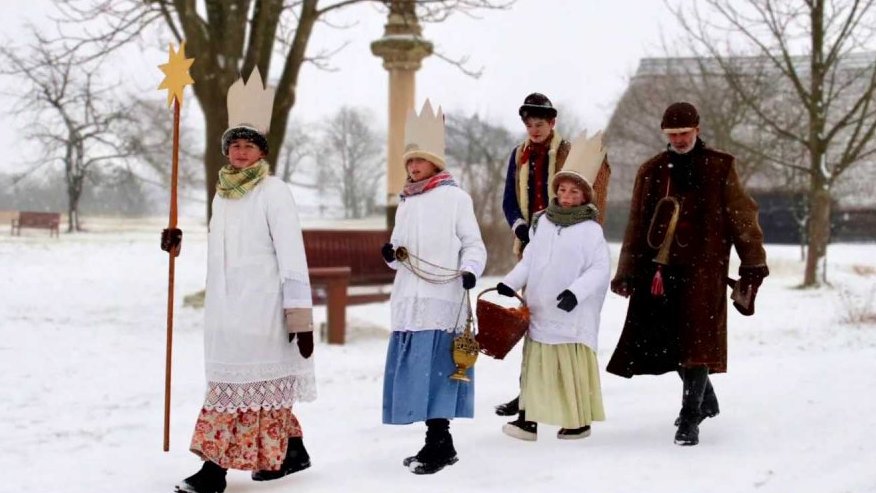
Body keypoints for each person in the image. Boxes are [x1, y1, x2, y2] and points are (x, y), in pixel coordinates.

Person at [162, 69, 316, 493]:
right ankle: (292, 448)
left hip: (264, 309)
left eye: (249, 146)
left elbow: (292, 257)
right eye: (235, 146)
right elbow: (222, 252)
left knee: (240, 385)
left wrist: (299, 318)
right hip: (227, 308)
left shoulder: (274, 191)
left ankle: (215, 470)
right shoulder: (223, 193)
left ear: (262, 152)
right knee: (241, 384)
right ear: (226, 151)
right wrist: (179, 244)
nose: (242, 153)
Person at [606, 102, 769, 446]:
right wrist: (626, 272)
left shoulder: (719, 167)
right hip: (659, 271)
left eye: (684, 133)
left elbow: (743, 217)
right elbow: (636, 225)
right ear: (665, 134)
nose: (679, 140)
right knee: (669, 342)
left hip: (704, 271)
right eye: (673, 135)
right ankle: (706, 399)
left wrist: (752, 263)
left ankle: (690, 417)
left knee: (697, 344)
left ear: (697, 129)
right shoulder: (651, 171)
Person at [380, 100, 487, 474]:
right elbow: (400, 253)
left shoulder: (456, 198)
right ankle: (436, 440)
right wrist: (390, 255)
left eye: (419, 161)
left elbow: (473, 243)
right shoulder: (406, 201)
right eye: (409, 161)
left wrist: (471, 269)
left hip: (443, 298)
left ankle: (440, 443)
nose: (413, 167)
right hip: (410, 298)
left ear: (435, 163)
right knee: (417, 371)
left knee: (440, 369)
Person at [495, 131, 611, 441]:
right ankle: (527, 421)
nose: (567, 196)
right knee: (535, 369)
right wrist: (510, 283)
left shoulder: (590, 230)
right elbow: (530, 260)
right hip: (540, 308)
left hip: (570, 314)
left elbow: (600, 269)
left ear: (584, 196)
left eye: (574, 192)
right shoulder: (543, 222)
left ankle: (576, 421)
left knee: (566, 370)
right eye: (562, 190)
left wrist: (576, 292)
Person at [496, 92, 571, 417]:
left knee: (561, 322)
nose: (534, 130)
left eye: (539, 124)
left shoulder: (566, 152)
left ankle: (563, 391)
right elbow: (509, 200)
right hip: (531, 249)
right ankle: (527, 392)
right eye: (529, 125)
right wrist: (520, 227)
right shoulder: (519, 155)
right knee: (532, 320)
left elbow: (579, 195)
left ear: (552, 123)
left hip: (564, 246)